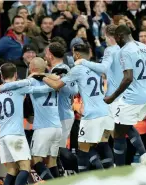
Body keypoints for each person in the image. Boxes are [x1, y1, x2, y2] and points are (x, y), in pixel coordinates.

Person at [75, 24, 146, 165]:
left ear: (108, 36)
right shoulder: (133, 48)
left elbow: (103, 68)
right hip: (131, 94)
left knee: (109, 136)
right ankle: (139, 156)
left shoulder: (110, 50)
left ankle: (121, 166)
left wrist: (84, 62)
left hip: (114, 96)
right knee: (123, 129)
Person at [43, 43, 114, 172]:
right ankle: (110, 176)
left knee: (82, 149)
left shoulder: (77, 69)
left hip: (91, 114)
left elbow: (56, 86)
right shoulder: (98, 68)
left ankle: (84, 179)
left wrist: (42, 76)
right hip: (106, 111)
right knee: (103, 145)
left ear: (77, 55)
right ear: (90, 53)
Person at [0, 63, 55, 185]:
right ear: (16, 74)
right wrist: (56, 86)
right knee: (25, 167)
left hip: (2, 136)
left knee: (12, 170)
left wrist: (4, 120)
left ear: (2, 76)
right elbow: (41, 88)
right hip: (15, 135)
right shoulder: (18, 88)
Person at [102, 24, 146, 166]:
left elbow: (128, 78)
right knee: (125, 126)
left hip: (131, 97)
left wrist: (112, 97)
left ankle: (120, 169)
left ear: (119, 36)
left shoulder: (123, 51)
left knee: (119, 133)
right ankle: (143, 155)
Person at [44, 42, 78, 175]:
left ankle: (82, 167)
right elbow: (75, 89)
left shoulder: (58, 70)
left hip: (61, 115)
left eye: (47, 53)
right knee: (55, 150)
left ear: (50, 55)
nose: (45, 55)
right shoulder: (67, 68)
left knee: (57, 149)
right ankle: (60, 174)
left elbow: (68, 89)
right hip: (65, 113)